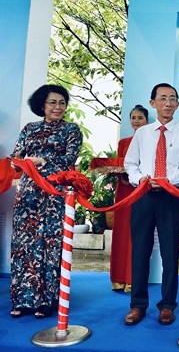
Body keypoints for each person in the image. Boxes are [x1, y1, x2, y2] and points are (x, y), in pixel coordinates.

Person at [123, 83, 179, 326]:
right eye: (162, 98)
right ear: (153, 103)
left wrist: (165, 181)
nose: (168, 103)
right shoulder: (142, 134)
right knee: (140, 251)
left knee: (170, 253)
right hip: (143, 196)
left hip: (171, 197)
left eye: (172, 99)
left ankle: (167, 305)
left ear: (177, 104)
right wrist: (139, 179)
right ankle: (137, 305)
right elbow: (130, 164)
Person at [10, 84, 83, 318]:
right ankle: (22, 300)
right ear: (42, 105)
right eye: (53, 102)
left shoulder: (72, 130)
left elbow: (68, 159)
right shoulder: (29, 128)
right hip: (29, 194)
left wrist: (41, 161)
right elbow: (17, 155)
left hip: (54, 193)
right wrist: (17, 162)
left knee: (50, 246)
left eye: (62, 103)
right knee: (24, 246)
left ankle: (47, 300)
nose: (58, 107)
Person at [110, 105, 149, 292]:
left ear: (146, 120)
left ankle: (133, 278)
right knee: (121, 232)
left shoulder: (151, 140)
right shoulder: (123, 142)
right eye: (133, 117)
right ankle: (118, 278)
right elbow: (119, 165)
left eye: (140, 117)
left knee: (138, 234)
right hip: (124, 190)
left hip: (142, 190)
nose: (136, 121)